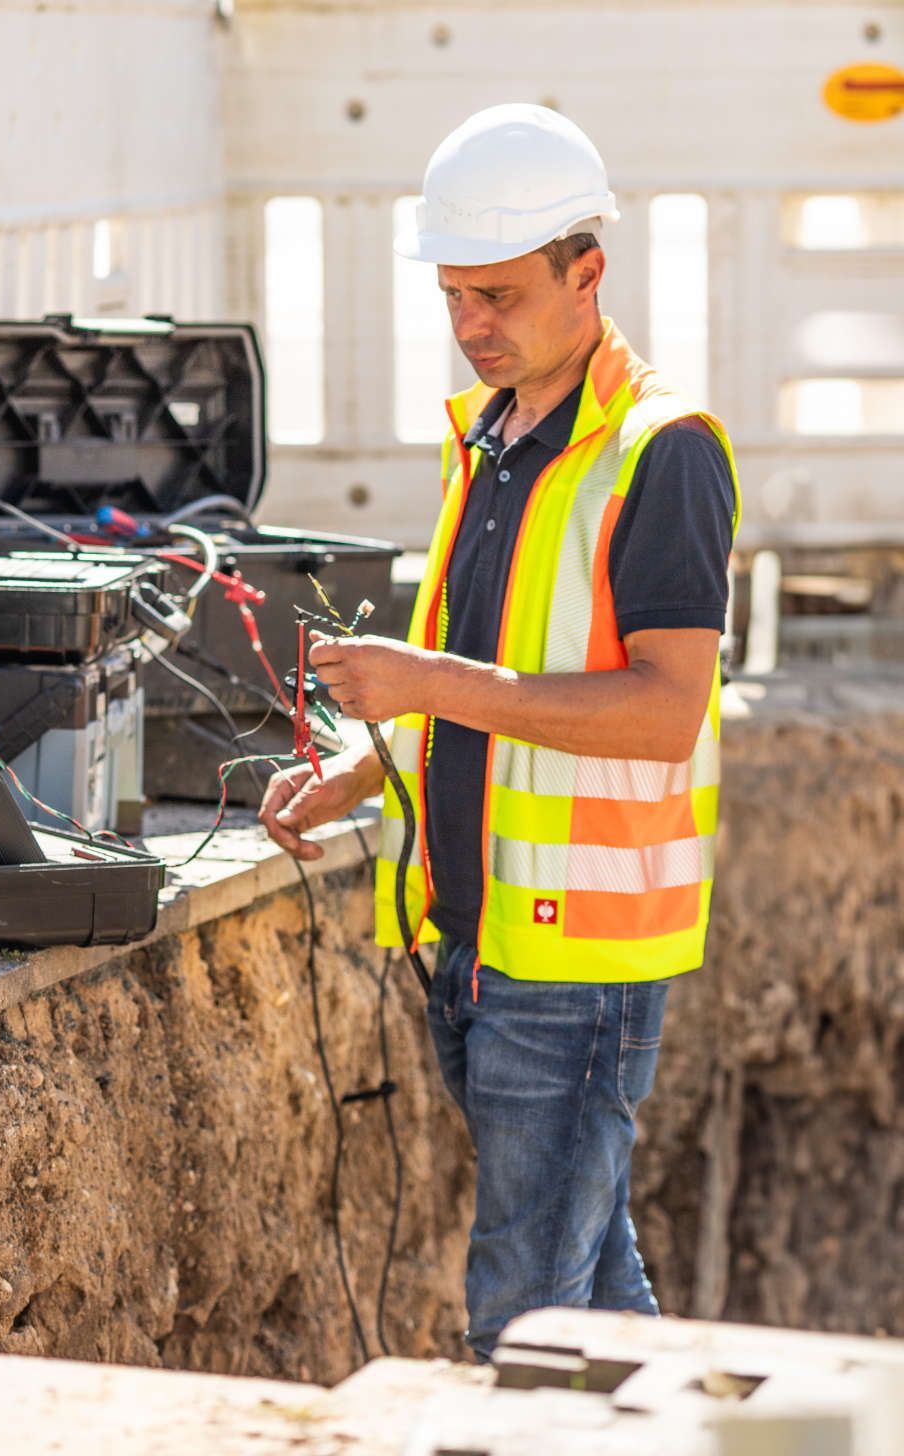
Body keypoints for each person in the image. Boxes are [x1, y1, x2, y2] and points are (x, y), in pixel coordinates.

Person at [257, 102, 739, 1360]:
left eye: (499, 297)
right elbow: (488, 686)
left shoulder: (660, 453)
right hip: (471, 940)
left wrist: (422, 681)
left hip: (574, 964)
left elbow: (661, 709)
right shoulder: (490, 436)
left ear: (588, 272)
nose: (470, 327)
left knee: (521, 1315)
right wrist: (364, 767)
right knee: (590, 1288)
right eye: (454, 296)